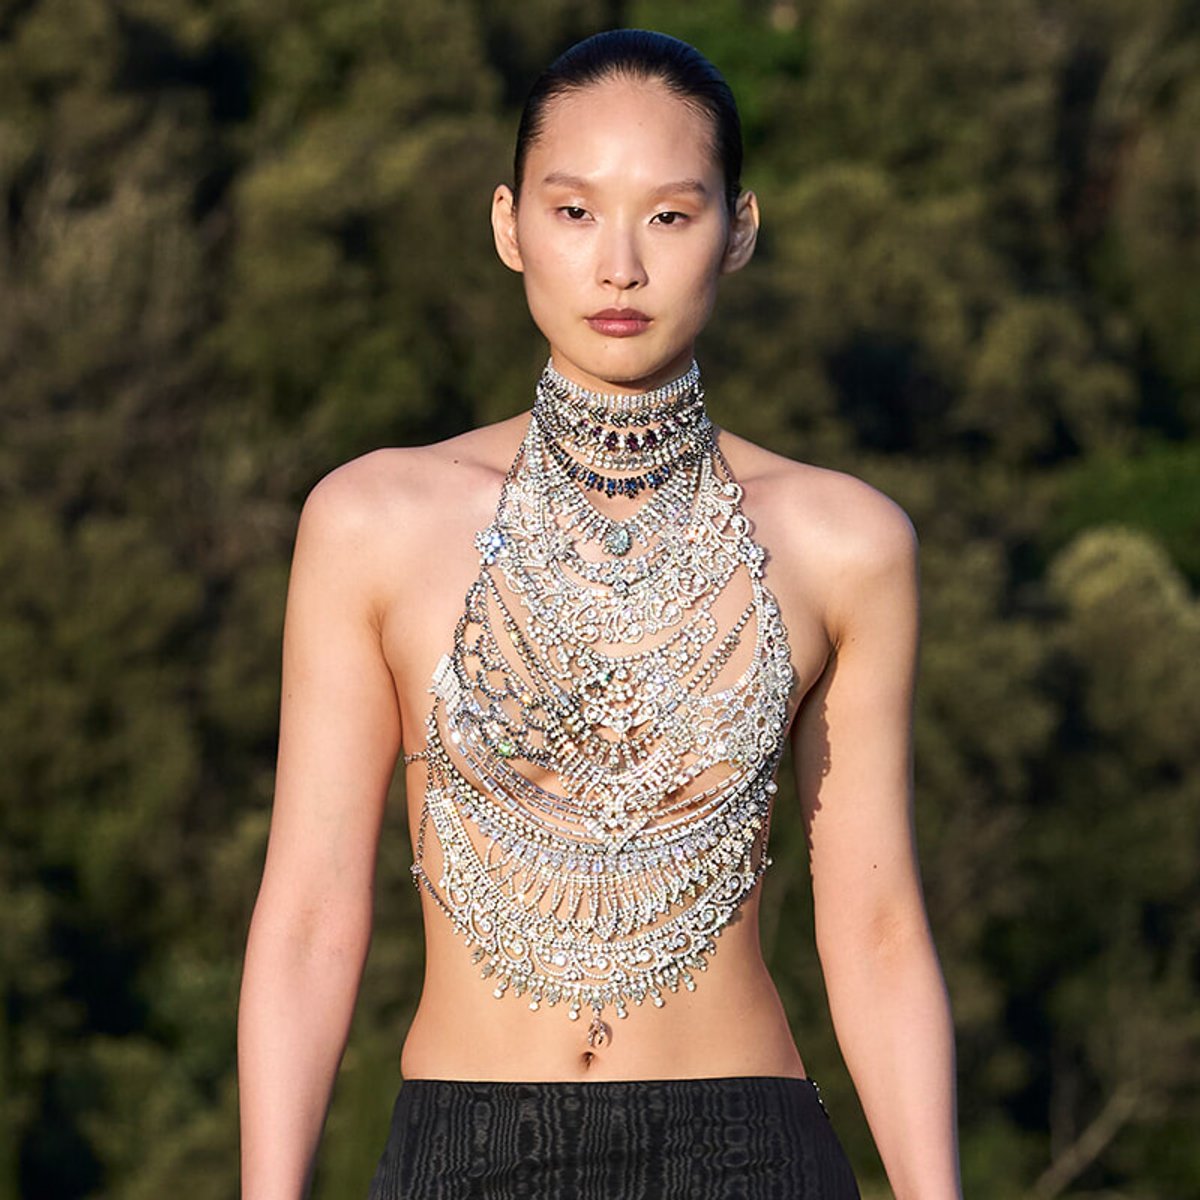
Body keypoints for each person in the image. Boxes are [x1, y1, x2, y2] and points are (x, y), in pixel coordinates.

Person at [237, 28, 963, 1200]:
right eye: (575, 213)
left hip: (751, 1153)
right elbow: (313, 916)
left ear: (740, 232)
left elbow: (876, 931)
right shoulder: (371, 522)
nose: (618, 266)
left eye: (670, 216)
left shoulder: (846, 545)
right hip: (464, 1153)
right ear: (508, 225)